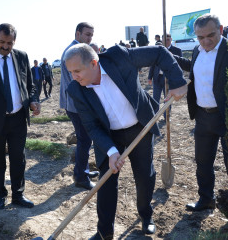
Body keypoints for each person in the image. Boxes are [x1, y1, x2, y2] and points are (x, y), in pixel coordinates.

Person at [64, 43, 187, 240]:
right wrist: (112, 152)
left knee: (144, 176)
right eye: (70, 72)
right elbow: (92, 126)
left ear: (94, 63)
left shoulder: (119, 57)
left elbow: (159, 53)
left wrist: (177, 80)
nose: (74, 77)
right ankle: (105, 231)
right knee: (106, 182)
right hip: (109, 136)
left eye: (77, 71)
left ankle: (146, 216)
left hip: (140, 126)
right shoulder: (76, 90)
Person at [0, 23, 40, 210]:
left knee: (18, 158)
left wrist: (33, 100)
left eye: (10, 43)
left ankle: (18, 195)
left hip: (18, 117)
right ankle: (0, 195)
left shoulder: (22, 57)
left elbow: (30, 85)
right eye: (2, 42)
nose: (5, 46)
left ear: (15, 41)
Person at [173, 14, 228, 212]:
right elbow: (194, 69)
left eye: (210, 35)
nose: (205, 41)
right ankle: (206, 199)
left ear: (220, 30)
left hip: (225, 116)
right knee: (203, 162)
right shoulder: (197, 50)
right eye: (200, 37)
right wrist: (169, 56)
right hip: (203, 117)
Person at [60, 22, 99, 190]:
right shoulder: (72, 53)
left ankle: (82, 170)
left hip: (76, 103)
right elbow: (76, 83)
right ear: (78, 34)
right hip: (76, 104)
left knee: (85, 138)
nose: (90, 38)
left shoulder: (79, 51)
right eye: (87, 34)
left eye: (92, 35)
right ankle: (80, 177)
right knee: (84, 139)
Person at [148, 33, 182, 115]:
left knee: (167, 99)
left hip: (169, 80)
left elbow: (180, 66)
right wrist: (150, 77)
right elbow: (153, 64)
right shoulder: (157, 49)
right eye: (164, 40)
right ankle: (154, 116)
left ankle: (166, 116)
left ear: (171, 40)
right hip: (157, 78)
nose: (166, 41)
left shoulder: (177, 51)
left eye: (168, 39)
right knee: (155, 99)